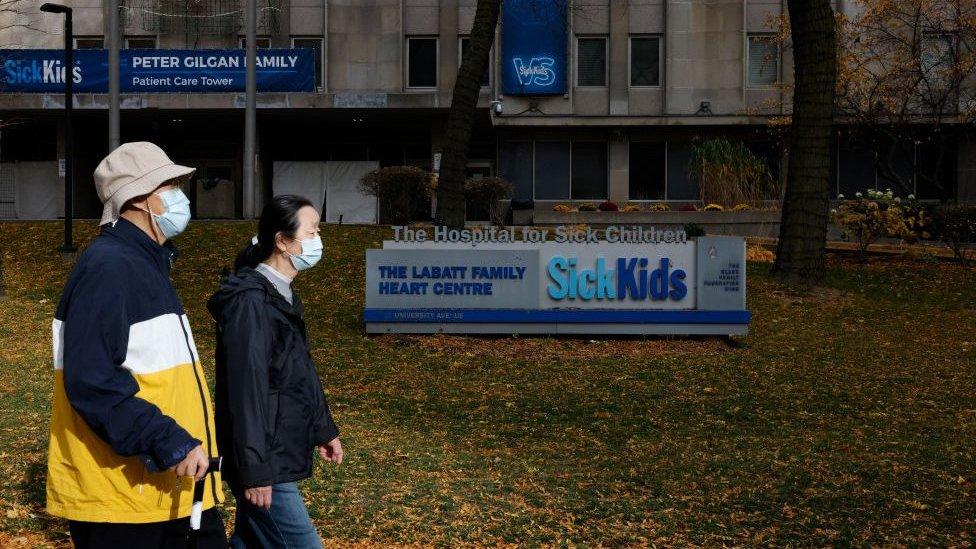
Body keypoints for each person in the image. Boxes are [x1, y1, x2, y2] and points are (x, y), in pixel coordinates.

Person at [47, 142, 226, 548]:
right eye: (171, 185)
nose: (180, 194)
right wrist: (169, 440)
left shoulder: (146, 263)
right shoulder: (110, 267)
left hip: (167, 491)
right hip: (124, 503)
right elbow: (91, 380)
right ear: (142, 198)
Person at [208, 195, 343, 548]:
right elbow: (245, 390)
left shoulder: (280, 295)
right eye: (312, 232)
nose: (318, 240)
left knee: (252, 541)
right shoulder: (252, 302)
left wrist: (323, 429)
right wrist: (255, 472)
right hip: (263, 459)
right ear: (282, 241)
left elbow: (298, 372)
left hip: (274, 449)